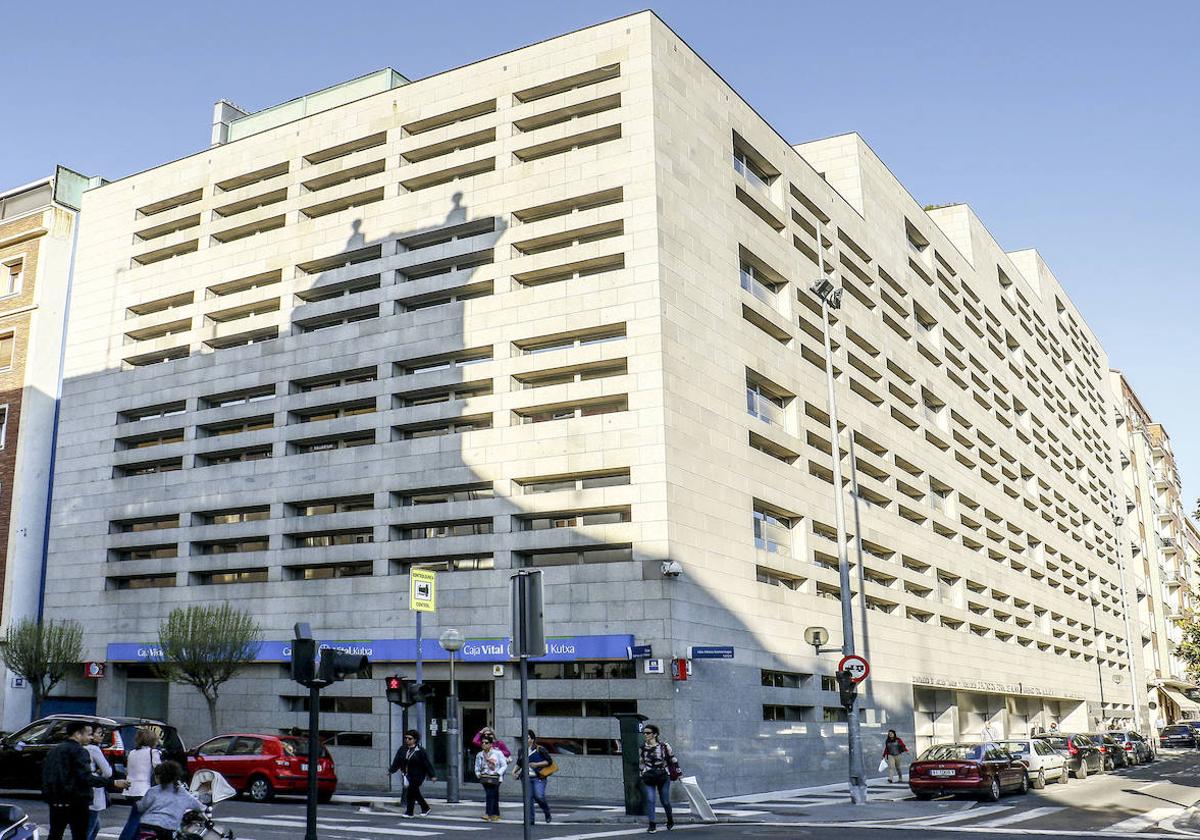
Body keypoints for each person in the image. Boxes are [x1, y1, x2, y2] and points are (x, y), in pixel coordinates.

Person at [42, 720, 127, 840]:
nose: (91, 737)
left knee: (55, 834)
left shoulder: (54, 751)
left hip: (56, 801)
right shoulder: (81, 751)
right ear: (77, 734)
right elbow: (86, 777)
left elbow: (47, 775)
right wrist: (113, 782)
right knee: (80, 835)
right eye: (89, 734)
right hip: (77, 801)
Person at [136, 761, 205, 840]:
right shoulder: (181, 792)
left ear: (159, 777)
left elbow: (141, 807)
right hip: (167, 826)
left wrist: (138, 804)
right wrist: (205, 808)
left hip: (147, 824)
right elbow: (197, 805)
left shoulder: (152, 791)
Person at [118, 728, 163, 840]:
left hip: (130, 789)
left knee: (137, 818)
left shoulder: (132, 753)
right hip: (144, 790)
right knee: (135, 820)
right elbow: (159, 769)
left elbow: (128, 771)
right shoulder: (153, 752)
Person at [639, 724, 680, 833]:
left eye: (648, 733)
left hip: (663, 776)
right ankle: (652, 824)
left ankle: (670, 820)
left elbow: (673, 759)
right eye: (644, 733)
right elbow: (642, 762)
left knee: (665, 801)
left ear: (655, 734)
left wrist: (679, 773)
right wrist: (641, 773)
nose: (645, 735)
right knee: (650, 799)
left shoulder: (664, 746)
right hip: (649, 777)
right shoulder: (643, 747)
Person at [388, 730, 435, 818]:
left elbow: (426, 763)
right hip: (407, 775)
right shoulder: (402, 749)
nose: (407, 740)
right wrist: (391, 770)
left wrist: (432, 775)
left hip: (418, 775)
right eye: (406, 738)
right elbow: (397, 761)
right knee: (414, 792)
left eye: (410, 738)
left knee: (411, 791)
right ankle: (425, 808)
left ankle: (410, 812)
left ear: (415, 740)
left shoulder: (420, 751)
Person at [511, 730, 552, 824]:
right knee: (528, 799)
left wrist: (537, 764)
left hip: (539, 777)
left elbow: (549, 761)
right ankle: (530, 820)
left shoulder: (540, 749)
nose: (525, 739)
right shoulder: (521, 750)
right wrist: (513, 772)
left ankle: (547, 812)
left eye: (528, 737)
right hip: (526, 778)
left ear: (532, 739)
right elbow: (519, 763)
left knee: (539, 796)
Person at [84, 726, 113, 840]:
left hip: (82, 792)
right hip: (94, 790)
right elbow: (108, 772)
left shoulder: (80, 747)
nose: (102, 736)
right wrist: (98, 772)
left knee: (95, 826)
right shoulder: (93, 749)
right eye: (99, 733)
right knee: (89, 828)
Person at [474, 736, 508, 822]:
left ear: (491, 744)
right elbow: (477, 766)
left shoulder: (498, 753)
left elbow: (504, 765)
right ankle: (496, 814)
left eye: (486, 743)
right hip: (485, 777)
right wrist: (478, 774)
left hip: (495, 777)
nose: (484, 744)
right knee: (494, 795)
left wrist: (498, 773)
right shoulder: (480, 755)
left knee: (490, 794)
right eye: (482, 743)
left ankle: (488, 813)